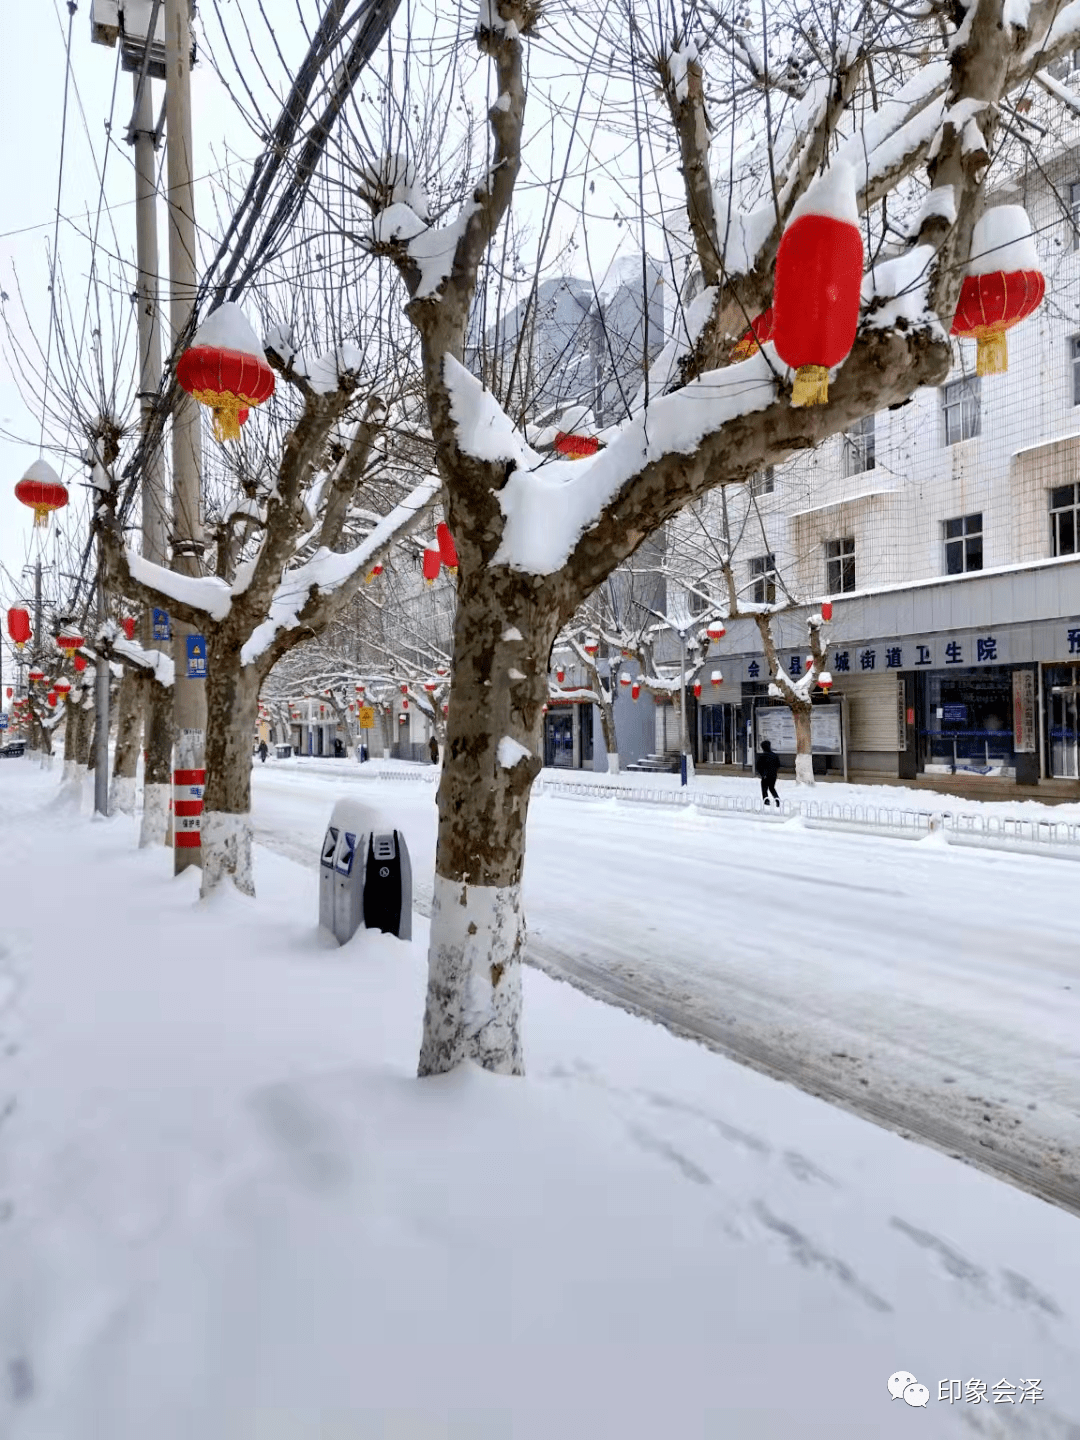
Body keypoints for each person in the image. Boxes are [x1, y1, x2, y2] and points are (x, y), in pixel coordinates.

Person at [756, 738, 780, 805]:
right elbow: (778, 765)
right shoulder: (774, 755)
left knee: (764, 789)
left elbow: (758, 767)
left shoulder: (762, 756)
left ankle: (766, 801)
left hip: (765, 776)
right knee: (772, 788)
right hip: (773, 775)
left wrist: (762, 774)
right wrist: (774, 771)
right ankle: (777, 799)